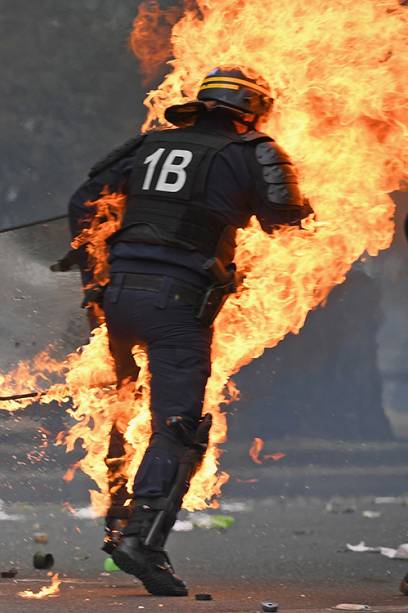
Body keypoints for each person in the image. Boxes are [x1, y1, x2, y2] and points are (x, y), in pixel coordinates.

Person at [68, 65, 312, 596]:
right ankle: (142, 542)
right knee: (177, 427)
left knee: (122, 405)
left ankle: (118, 521)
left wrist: (93, 282)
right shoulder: (255, 152)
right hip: (176, 304)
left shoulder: (151, 145)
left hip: (118, 296)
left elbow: (81, 202)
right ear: (250, 114)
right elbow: (287, 222)